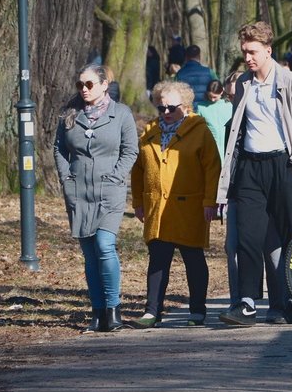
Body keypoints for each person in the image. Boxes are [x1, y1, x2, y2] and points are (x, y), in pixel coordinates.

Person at [217, 21, 292, 326]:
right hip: (249, 167)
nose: (248, 57)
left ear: (268, 50)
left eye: (253, 52)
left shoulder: (289, 81)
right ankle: (246, 303)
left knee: (289, 237)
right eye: (244, 52)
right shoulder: (243, 84)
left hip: (282, 165)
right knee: (248, 237)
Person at [53, 64, 138, 333]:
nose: (84, 90)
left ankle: (114, 309)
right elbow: (59, 149)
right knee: (90, 255)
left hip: (109, 190)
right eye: (80, 85)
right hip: (78, 191)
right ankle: (98, 312)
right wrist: (66, 178)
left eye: (89, 84)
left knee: (104, 245)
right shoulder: (69, 114)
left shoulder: (121, 114)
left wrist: (116, 177)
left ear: (104, 85)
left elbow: (130, 150)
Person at [131, 81, 220, 328]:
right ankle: (152, 311)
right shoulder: (149, 132)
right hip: (157, 207)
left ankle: (197, 311)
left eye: (172, 108)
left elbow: (213, 168)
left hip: (189, 207)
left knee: (193, 258)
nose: (166, 113)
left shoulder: (200, 130)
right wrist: (138, 201)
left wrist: (210, 202)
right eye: (162, 108)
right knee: (158, 260)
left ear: (187, 106)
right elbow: (138, 171)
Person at [197, 79, 234, 163]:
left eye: (215, 97)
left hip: (228, 143)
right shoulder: (201, 107)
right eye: (210, 96)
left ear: (222, 92)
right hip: (210, 144)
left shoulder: (230, 105)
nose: (212, 100)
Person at [175, 44, 218, 110]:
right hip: (206, 110)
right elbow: (218, 89)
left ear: (186, 57)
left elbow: (175, 93)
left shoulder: (179, 74)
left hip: (188, 111)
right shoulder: (209, 72)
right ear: (199, 56)